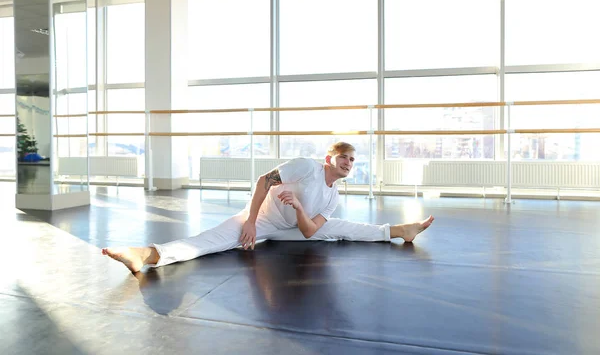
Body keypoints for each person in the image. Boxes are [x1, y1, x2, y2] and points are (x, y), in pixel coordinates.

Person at [103, 142, 434, 273]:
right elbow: (264, 180)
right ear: (329, 158)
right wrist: (249, 221)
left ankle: (399, 230)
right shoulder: (306, 166)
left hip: (292, 230)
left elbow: (307, 230)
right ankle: (145, 255)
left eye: (352, 159)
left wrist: (300, 209)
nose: (348, 162)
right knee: (213, 241)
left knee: (339, 229)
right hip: (262, 221)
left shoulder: (334, 195)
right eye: (343, 156)